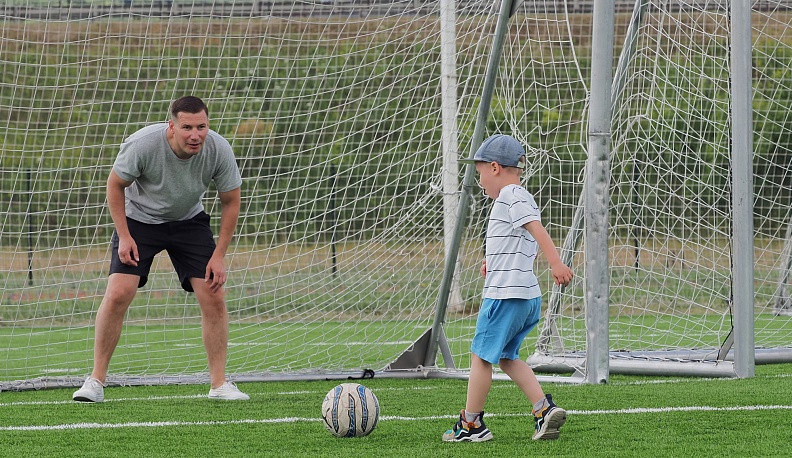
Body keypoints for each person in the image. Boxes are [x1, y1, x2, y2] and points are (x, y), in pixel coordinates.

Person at [73, 96, 249, 402]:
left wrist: (218, 255)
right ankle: (95, 382)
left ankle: (219, 385)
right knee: (118, 294)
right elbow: (115, 185)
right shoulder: (144, 144)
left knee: (215, 293)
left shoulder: (219, 149)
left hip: (189, 221)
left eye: (202, 127)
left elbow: (231, 201)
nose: (195, 134)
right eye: (187, 127)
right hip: (139, 221)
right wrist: (124, 236)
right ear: (172, 126)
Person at [442, 134, 574, 442]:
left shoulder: (511, 195)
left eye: (480, 174)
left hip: (505, 295)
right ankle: (543, 409)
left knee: (480, 357)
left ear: (495, 167)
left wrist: (556, 262)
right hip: (526, 296)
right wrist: (493, 262)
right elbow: (518, 240)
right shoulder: (519, 195)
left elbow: (536, 229)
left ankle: (471, 424)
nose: (480, 180)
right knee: (507, 357)